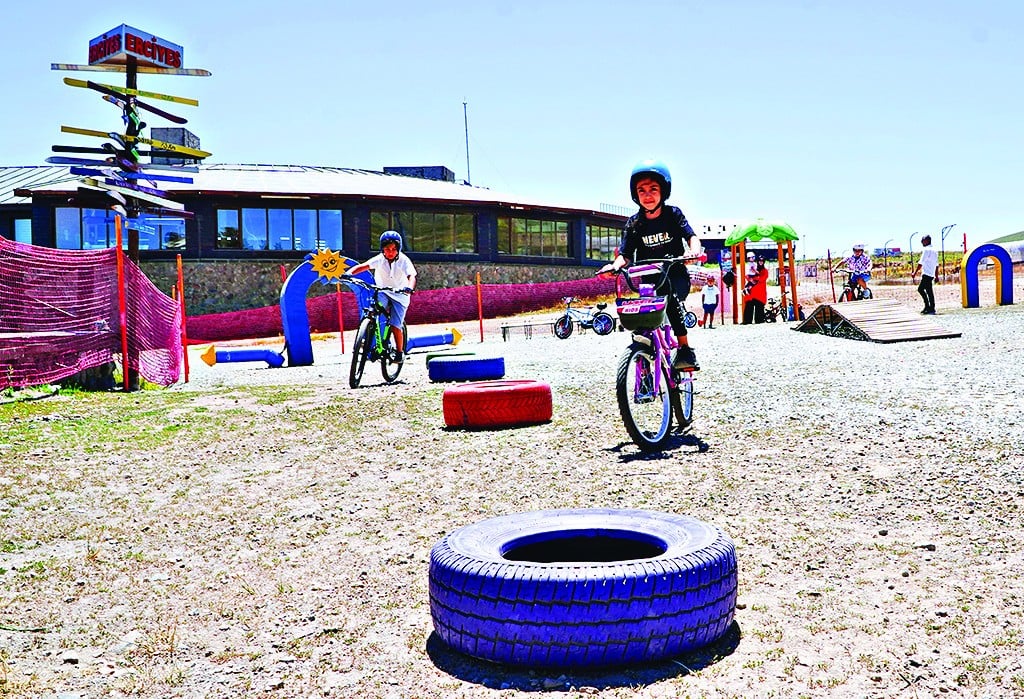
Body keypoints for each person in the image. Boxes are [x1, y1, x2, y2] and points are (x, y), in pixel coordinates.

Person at [598, 159, 702, 370]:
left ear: (664, 191)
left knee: (670, 299)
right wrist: (614, 266)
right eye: (642, 190)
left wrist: (694, 251)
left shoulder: (673, 215)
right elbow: (625, 255)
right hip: (649, 280)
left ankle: (684, 349)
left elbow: (692, 237)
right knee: (640, 318)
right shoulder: (634, 223)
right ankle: (643, 361)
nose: (647, 194)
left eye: (653, 189)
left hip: (675, 275)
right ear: (635, 194)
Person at [345, 230, 417, 361]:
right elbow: (363, 266)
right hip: (383, 291)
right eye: (387, 249)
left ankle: (400, 353)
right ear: (382, 249)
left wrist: (409, 288)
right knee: (373, 311)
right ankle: (368, 340)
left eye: (393, 249)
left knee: (395, 325)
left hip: (400, 295)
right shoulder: (379, 259)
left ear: (398, 249)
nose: (390, 252)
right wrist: (348, 274)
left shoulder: (404, 261)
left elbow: (411, 276)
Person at [912, 234, 938, 314]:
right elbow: (937, 264)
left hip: (926, 273)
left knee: (921, 289)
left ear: (926, 241)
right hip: (931, 274)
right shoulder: (935, 250)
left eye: (922, 240)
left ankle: (927, 306)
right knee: (929, 291)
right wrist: (936, 276)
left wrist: (915, 273)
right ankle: (931, 307)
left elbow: (921, 262)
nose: (921, 242)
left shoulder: (926, 250)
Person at [742, 256, 769, 324]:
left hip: (760, 293)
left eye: (762, 261)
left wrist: (754, 278)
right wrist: (751, 279)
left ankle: (759, 321)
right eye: (759, 261)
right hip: (751, 292)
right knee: (749, 307)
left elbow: (762, 278)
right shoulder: (753, 268)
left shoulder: (765, 271)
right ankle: (747, 321)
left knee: (759, 308)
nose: (760, 262)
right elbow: (747, 276)